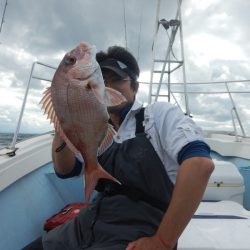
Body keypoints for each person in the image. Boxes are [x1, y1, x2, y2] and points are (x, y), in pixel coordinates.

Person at [41, 45, 214, 250]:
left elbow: (200, 165)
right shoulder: (94, 126)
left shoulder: (157, 115)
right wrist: (63, 122)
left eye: (117, 79)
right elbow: (64, 170)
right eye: (103, 80)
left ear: (135, 87)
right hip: (87, 224)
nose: (108, 85)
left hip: (139, 231)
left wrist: (162, 241)